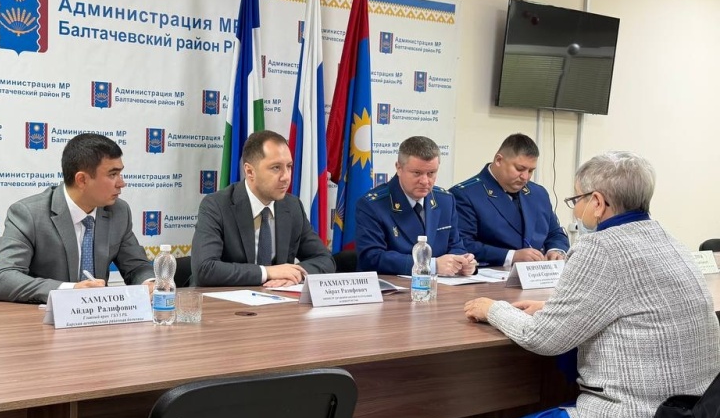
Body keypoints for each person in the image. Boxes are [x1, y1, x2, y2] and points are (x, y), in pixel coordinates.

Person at [464, 152, 720, 418]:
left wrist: (493, 309)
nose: (576, 209)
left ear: (597, 202)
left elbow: (541, 338)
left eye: (577, 199)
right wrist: (551, 309)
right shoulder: (671, 242)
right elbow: (636, 306)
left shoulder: (599, 247)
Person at [0, 133, 154, 303]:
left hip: (101, 314)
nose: (121, 183)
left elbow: (137, 266)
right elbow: (2, 278)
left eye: (120, 173)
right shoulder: (29, 214)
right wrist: (70, 290)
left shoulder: (118, 211)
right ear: (82, 180)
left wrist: (149, 283)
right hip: (42, 316)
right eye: (112, 175)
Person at [191, 130, 334, 287]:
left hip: (277, 299)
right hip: (223, 299)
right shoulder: (216, 205)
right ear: (250, 171)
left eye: (289, 166)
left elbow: (325, 259)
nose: (286, 177)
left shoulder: (292, 207)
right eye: (276, 168)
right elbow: (204, 269)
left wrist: (296, 274)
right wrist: (267, 272)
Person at [355, 136, 475, 276]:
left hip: (441, 285)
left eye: (431, 173)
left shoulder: (445, 200)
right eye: (417, 173)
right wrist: (430, 266)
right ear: (399, 168)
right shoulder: (372, 205)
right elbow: (372, 258)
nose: (425, 181)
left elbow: (455, 246)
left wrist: (463, 263)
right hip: (394, 286)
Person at [450, 134, 568, 267]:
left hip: (538, 274)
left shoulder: (538, 193)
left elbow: (555, 233)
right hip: (491, 275)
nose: (525, 177)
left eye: (531, 171)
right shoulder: (465, 194)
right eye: (520, 169)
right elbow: (462, 244)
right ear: (499, 160)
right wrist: (511, 256)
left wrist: (556, 250)